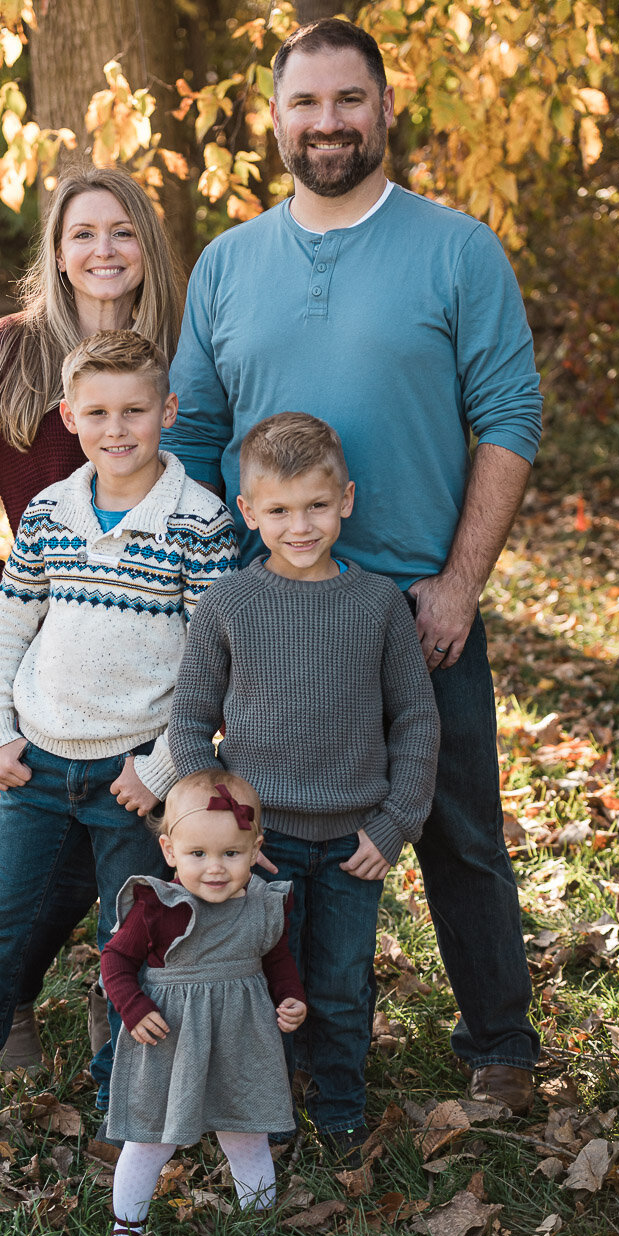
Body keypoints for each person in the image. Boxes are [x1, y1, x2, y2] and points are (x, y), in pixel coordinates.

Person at [165, 18, 543, 1118]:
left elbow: (510, 418)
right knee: (263, 834)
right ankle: (281, 1043)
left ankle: (501, 1045)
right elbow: (195, 438)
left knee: (460, 831)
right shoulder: (229, 262)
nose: (326, 121)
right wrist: (210, 589)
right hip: (272, 613)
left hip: (419, 610)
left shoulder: (456, 249)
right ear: (274, 118)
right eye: (305, 102)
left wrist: (460, 582)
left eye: (347, 99)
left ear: (384, 108)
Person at [0, 166, 184, 1076]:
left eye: (122, 231)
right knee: (44, 844)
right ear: (57, 254)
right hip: (52, 662)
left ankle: (117, 995)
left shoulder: (187, 349)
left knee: (137, 841)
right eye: (82, 234)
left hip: (160, 657)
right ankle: (12, 997)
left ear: (148, 246)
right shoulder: (9, 352)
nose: (104, 250)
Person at [0, 331, 239, 1133]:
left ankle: (119, 1103)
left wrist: (161, 768)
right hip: (37, 762)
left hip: (132, 776)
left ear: (168, 411)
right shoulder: (50, 511)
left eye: (135, 410)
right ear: (68, 417)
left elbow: (214, 663)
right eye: (96, 413)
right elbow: (9, 626)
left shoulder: (199, 521)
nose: (116, 428)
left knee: (130, 942)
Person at [168, 413, 440, 1164]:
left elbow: (416, 718)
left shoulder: (379, 603)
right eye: (279, 510)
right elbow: (189, 723)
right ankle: (270, 1109)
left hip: (355, 840)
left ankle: (341, 1105)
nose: (299, 526)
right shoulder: (228, 602)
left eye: (316, 506)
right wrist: (224, 829)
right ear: (248, 512)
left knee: (342, 983)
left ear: (345, 500)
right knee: (263, 981)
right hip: (262, 846)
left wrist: (395, 823)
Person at [100, 769, 306, 1236]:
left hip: (241, 1038)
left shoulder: (263, 905)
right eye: (198, 854)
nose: (215, 868)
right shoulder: (158, 906)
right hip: (170, 1037)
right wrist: (133, 1007)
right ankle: (127, 1226)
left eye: (231, 854)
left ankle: (258, 1225)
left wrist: (290, 997)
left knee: (247, 1132)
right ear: (170, 851)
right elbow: (115, 960)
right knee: (150, 1138)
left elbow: (277, 960)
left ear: (255, 850)